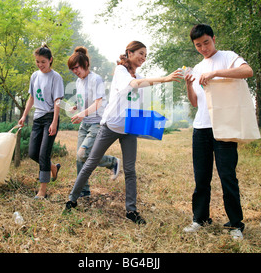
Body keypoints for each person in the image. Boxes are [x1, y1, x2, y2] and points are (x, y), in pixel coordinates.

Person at [64, 41, 183, 224]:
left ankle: (131, 211)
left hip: (129, 128)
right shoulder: (120, 71)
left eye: (145, 55)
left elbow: (139, 96)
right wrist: (165, 78)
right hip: (110, 125)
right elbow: (134, 84)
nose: (143, 57)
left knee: (130, 170)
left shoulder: (140, 74)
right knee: (90, 163)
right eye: (140, 53)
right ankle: (72, 200)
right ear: (129, 52)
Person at [183, 24, 253, 240]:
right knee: (201, 177)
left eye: (206, 42)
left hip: (224, 125)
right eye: (198, 45)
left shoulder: (228, 57)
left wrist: (214, 73)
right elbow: (195, 102)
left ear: (214, 39)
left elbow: (247, 71)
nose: (203, 48)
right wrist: (188, 84)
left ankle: (235, 224)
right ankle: (200, 218)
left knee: (227, 176)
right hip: (201, 128)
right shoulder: (196, 68)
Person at [67, 46, 121, 198]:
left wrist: (82, 114)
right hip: (85, 124)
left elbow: (97, 103)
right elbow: (84, 100)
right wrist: (76, 107)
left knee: (84, 153)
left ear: (84, 63)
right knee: (79, 157)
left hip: (97, 123)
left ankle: (112, 162)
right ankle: (84, 192)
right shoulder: (78, 81)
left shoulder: (96, 79)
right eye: (72, 69)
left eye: (76, 67)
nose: (75, 71)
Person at [19, 45, 64, 199]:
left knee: (44, 154)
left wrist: (54, 122)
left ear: (50, 60)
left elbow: (57, 101)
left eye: (43, 62)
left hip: (50, 117)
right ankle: (53, 167)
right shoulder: (34, 76)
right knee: (33, 153)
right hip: (37, 118)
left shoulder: (56, 77)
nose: (40, 65)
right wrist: (24, 116)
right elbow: (32, 98)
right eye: (37, 62)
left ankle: (42, 191)